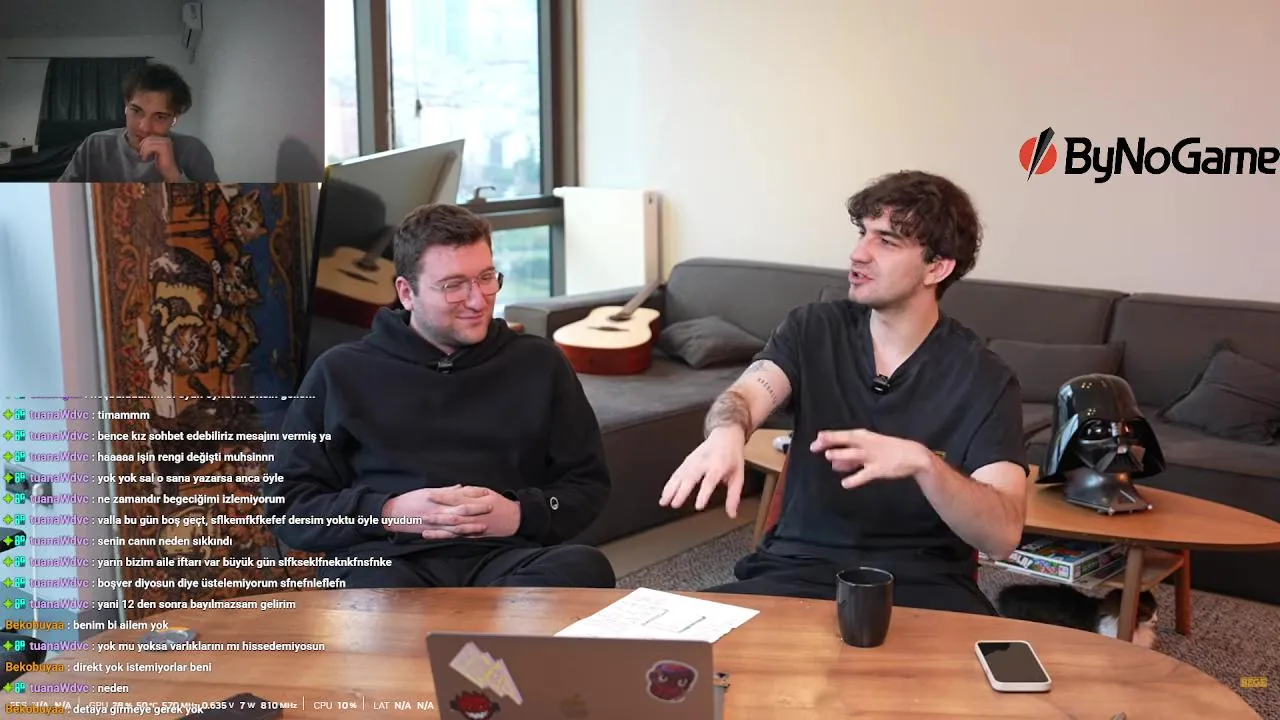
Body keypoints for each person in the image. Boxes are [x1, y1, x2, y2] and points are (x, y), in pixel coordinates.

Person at [659, 171, 1028, 615]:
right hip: (795, 571)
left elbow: (1002, 536)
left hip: (924, 589)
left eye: (886, 241)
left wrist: (924, 465)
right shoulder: (811, 329)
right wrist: (727, 433)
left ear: (937, 267)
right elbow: (747, 394)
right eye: (862, 233)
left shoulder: (984, 377)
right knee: (664, 640)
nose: (858, 253)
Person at [264, 203, 615, 589]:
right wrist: (387, 512)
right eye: (453, 285)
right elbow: (290, 506)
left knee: (585, 567)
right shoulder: (339, 372)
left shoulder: (540, 362)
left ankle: (489, 621)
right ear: (406, 293)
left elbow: (587, 485)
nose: (478, 300)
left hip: (506, 558)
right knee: (367, 597)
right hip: (385, 561)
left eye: (486, 278)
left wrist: (520, 513)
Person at [58, 63, 218, 182]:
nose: (144, 127)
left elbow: (218, 210)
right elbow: (56, 199)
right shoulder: (95, 145)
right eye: (136, 111)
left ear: (174, 119)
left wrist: (172, 174)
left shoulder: (192, 151)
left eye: (160, 117)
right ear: (126, 105)